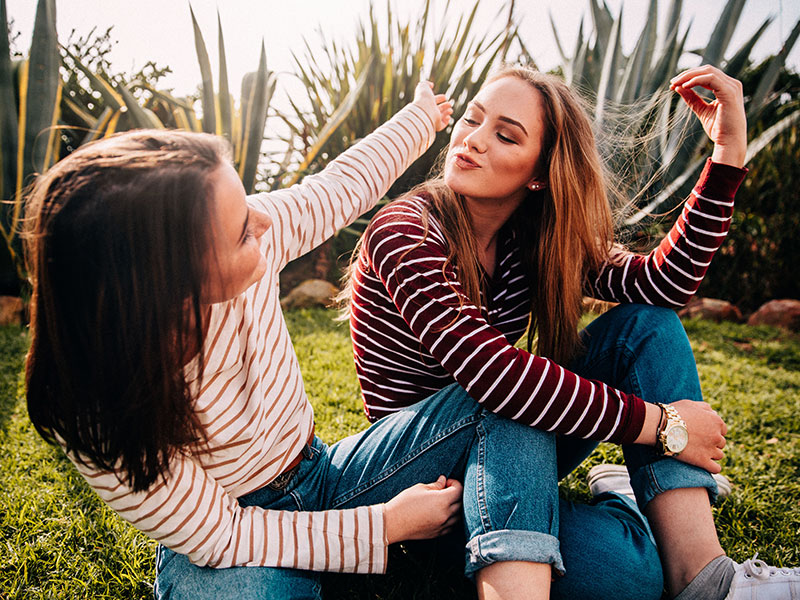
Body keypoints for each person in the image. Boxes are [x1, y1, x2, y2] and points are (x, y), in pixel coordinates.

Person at [23, 79, 644, 600]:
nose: (265, 224)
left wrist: (421, 117)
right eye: (241, 229)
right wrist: (384, 526)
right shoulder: (94, 417)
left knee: (505, 404)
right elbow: (223, 537)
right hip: (234, 539)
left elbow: (338, 187)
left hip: (324, 474)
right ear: (170, 278)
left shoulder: (255, 235)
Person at [345, 64, 800, 600]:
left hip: (510, 442)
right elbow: (494, 375)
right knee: (630, 574)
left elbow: (664, 282)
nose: (472, 141)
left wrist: (726, 152)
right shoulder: (405, 231)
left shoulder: (535, 239)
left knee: (645, 325)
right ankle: (625, 496)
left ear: (539, 174)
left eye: (505, 135)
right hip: (427, 477)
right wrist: (664, 426)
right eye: (472, 120)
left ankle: (706, 578)